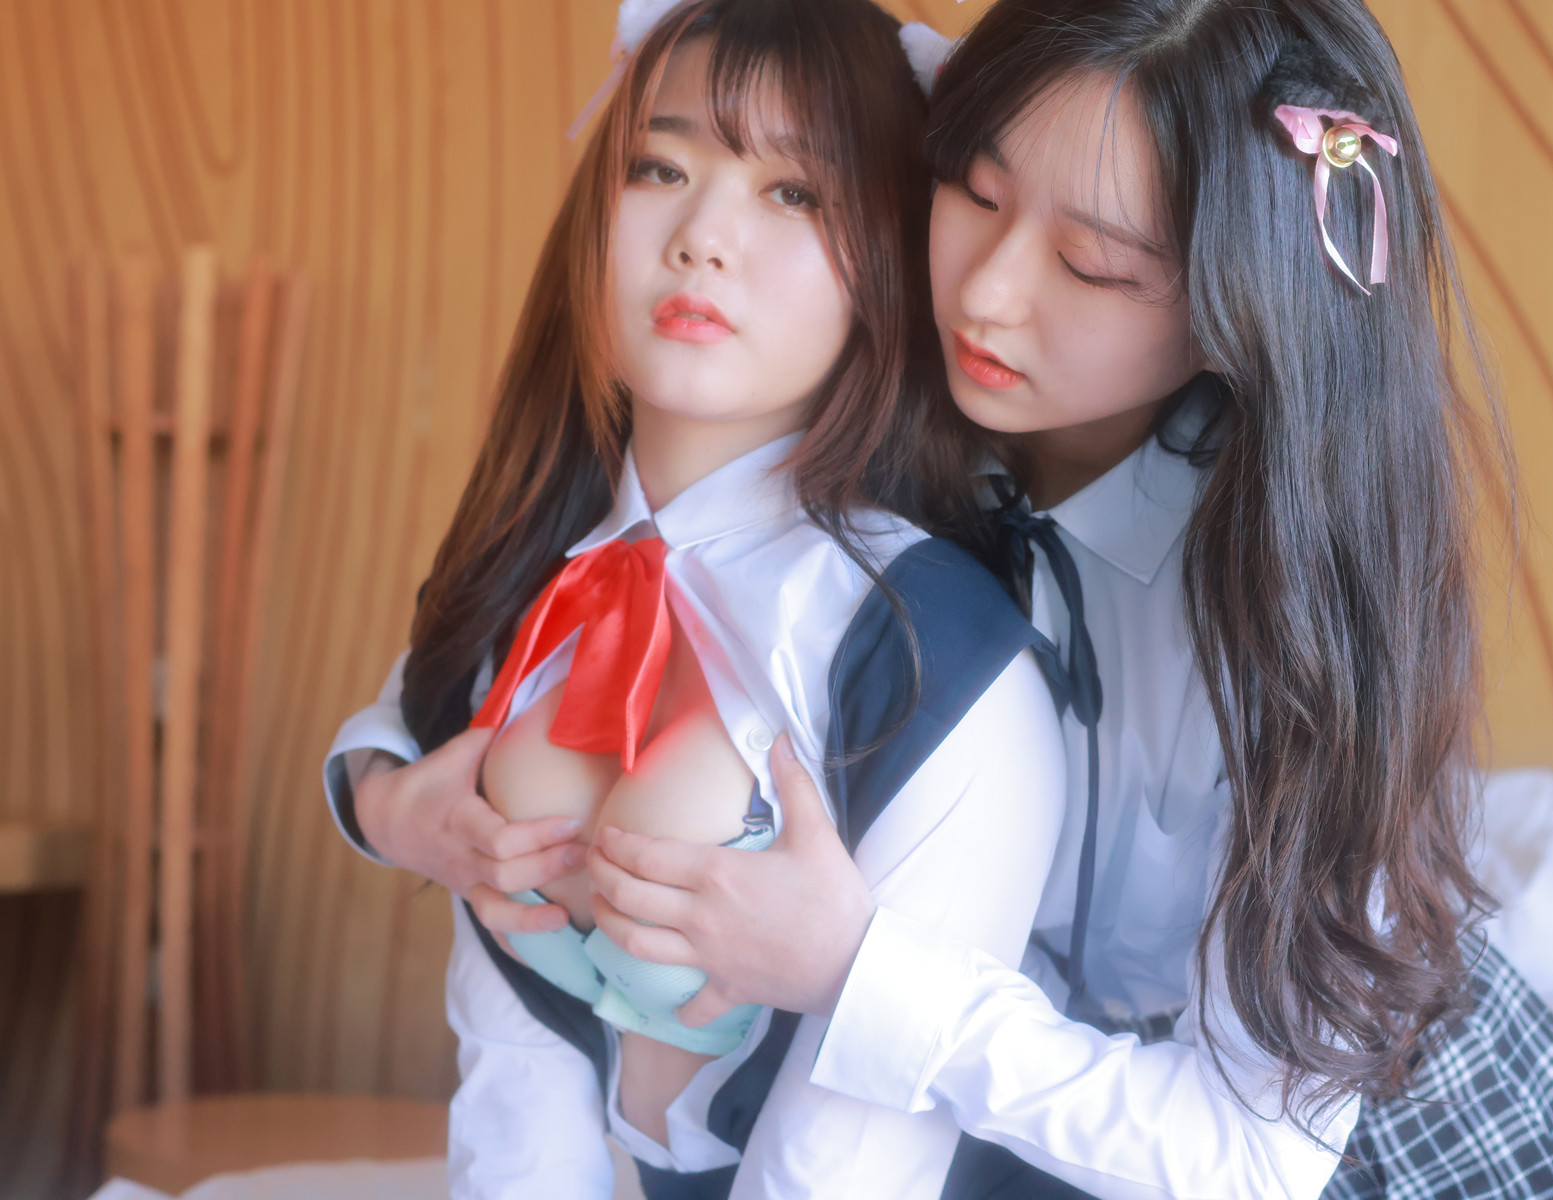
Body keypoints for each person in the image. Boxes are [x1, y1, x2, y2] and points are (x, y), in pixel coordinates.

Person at [583, 1, 1553, 1198]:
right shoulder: (870, 424)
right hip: (1014, 1100)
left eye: (1091, 265)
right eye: (974, 192)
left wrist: (857, 971)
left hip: (1367, 1150)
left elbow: (1252, 1156)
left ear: (1237, 305)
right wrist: (420, 790)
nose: (985, 293)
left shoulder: (1292, 612)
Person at [323, 0, 1071, 1194]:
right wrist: (386, 806)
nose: (702, 238)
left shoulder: (935, 653)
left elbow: (854, 1152)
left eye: (795, 193)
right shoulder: (530, 580)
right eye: (660, 168)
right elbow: (516, 1083)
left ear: (889, 251)